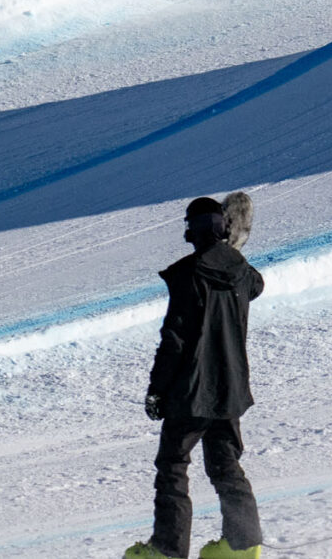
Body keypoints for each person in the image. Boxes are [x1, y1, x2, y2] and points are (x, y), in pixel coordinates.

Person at [125, 193, 265, 559]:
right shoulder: (242, 273)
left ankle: (167, 550)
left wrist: (156, 391)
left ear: (192, 230)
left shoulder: (188, 276)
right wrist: (231, 252)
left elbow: (173, 340)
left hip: (191, 392)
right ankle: (242, 545)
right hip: (229, 389)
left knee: (173, 466)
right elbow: (257, 285)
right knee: (225, 464)